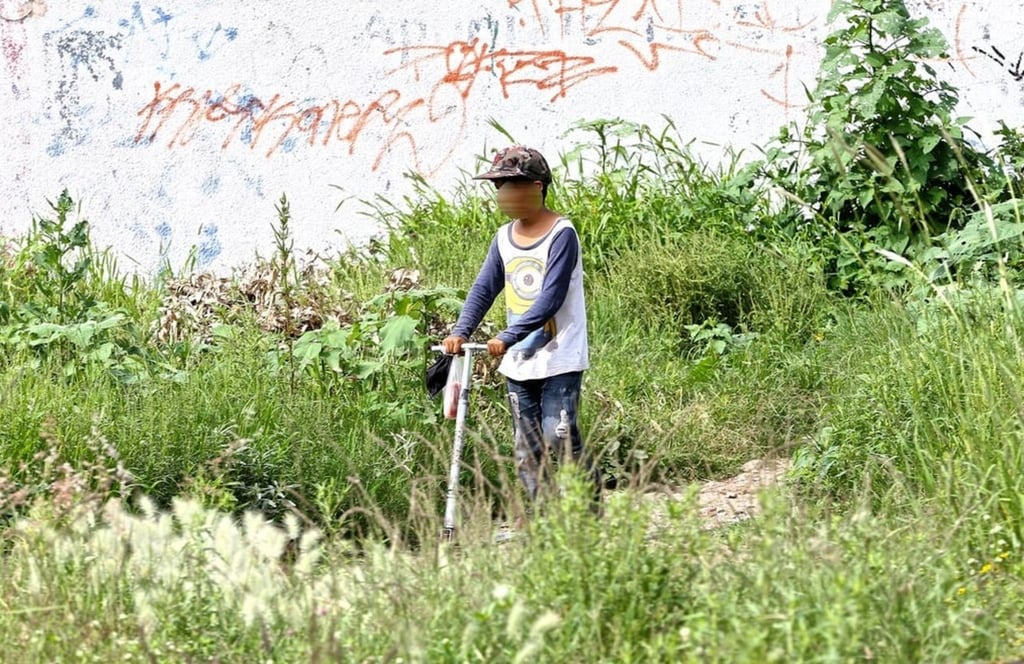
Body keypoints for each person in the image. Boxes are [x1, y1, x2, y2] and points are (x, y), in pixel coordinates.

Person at [441, 145, 600, 511]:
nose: (506, 194)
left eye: (514, 184)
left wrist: (507, 336)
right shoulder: (503, 238)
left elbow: (551, 298)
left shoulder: (562, 233)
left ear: (538, 187)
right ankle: (545, 521)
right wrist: (462, 330)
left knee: (557, 435)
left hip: (560, 356)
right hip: (519, 361)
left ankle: (590, 511)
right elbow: (485, 288)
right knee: (526, 445)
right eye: (501, 186)